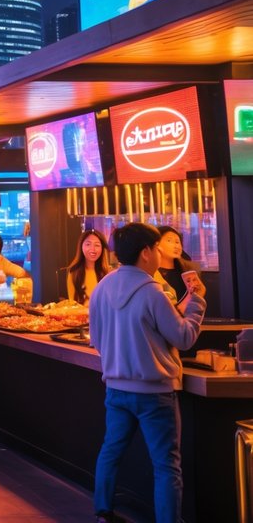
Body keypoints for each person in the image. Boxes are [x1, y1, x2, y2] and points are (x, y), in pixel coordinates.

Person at [91, 223, 205, 523]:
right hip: (154, 393)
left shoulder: (102, 287)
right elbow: (183, 337)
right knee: (167, 466)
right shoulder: (153, 292)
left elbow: (96, 339)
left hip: (115, 389)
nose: (158, 253)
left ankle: (103, 511)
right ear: (145, 252)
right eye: (156, 248)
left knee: (111, 451)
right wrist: (197, 303)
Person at [66, 229, 111, 304]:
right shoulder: (74, 273)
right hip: (80, 315)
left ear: (102, 249)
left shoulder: (108, 274)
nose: (92, 249)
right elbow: (72, 303)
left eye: (97, 245)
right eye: (88, 244)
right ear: (81, 246)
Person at [156, 226, 197, 303]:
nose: (176, 246)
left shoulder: (188, 271)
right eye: (169, 240)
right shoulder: (151, 273)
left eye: (177, 242)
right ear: (156, 244)